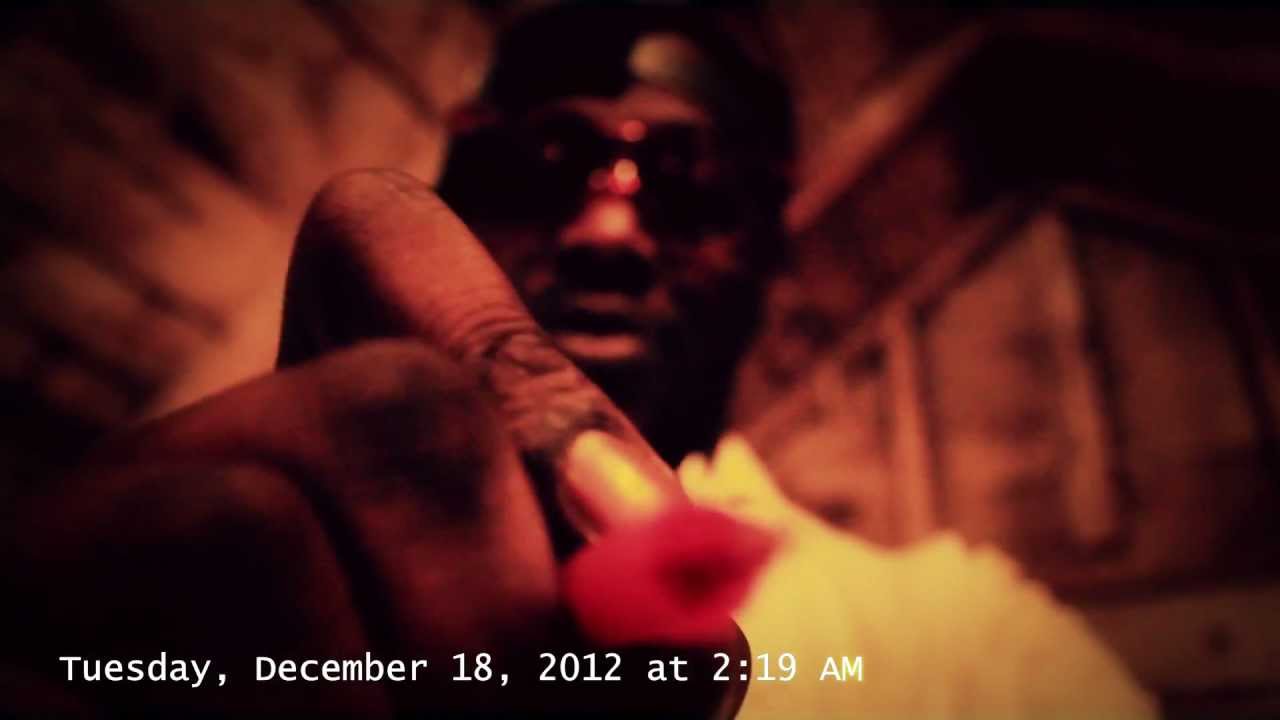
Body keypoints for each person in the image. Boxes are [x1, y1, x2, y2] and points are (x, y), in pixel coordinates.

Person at [0, 4, 1155, 718]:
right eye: (538, 166)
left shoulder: (964, 645)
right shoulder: (211, 573)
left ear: (767, 252)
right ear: (454, 203)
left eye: (688, 184)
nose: (607, 229)